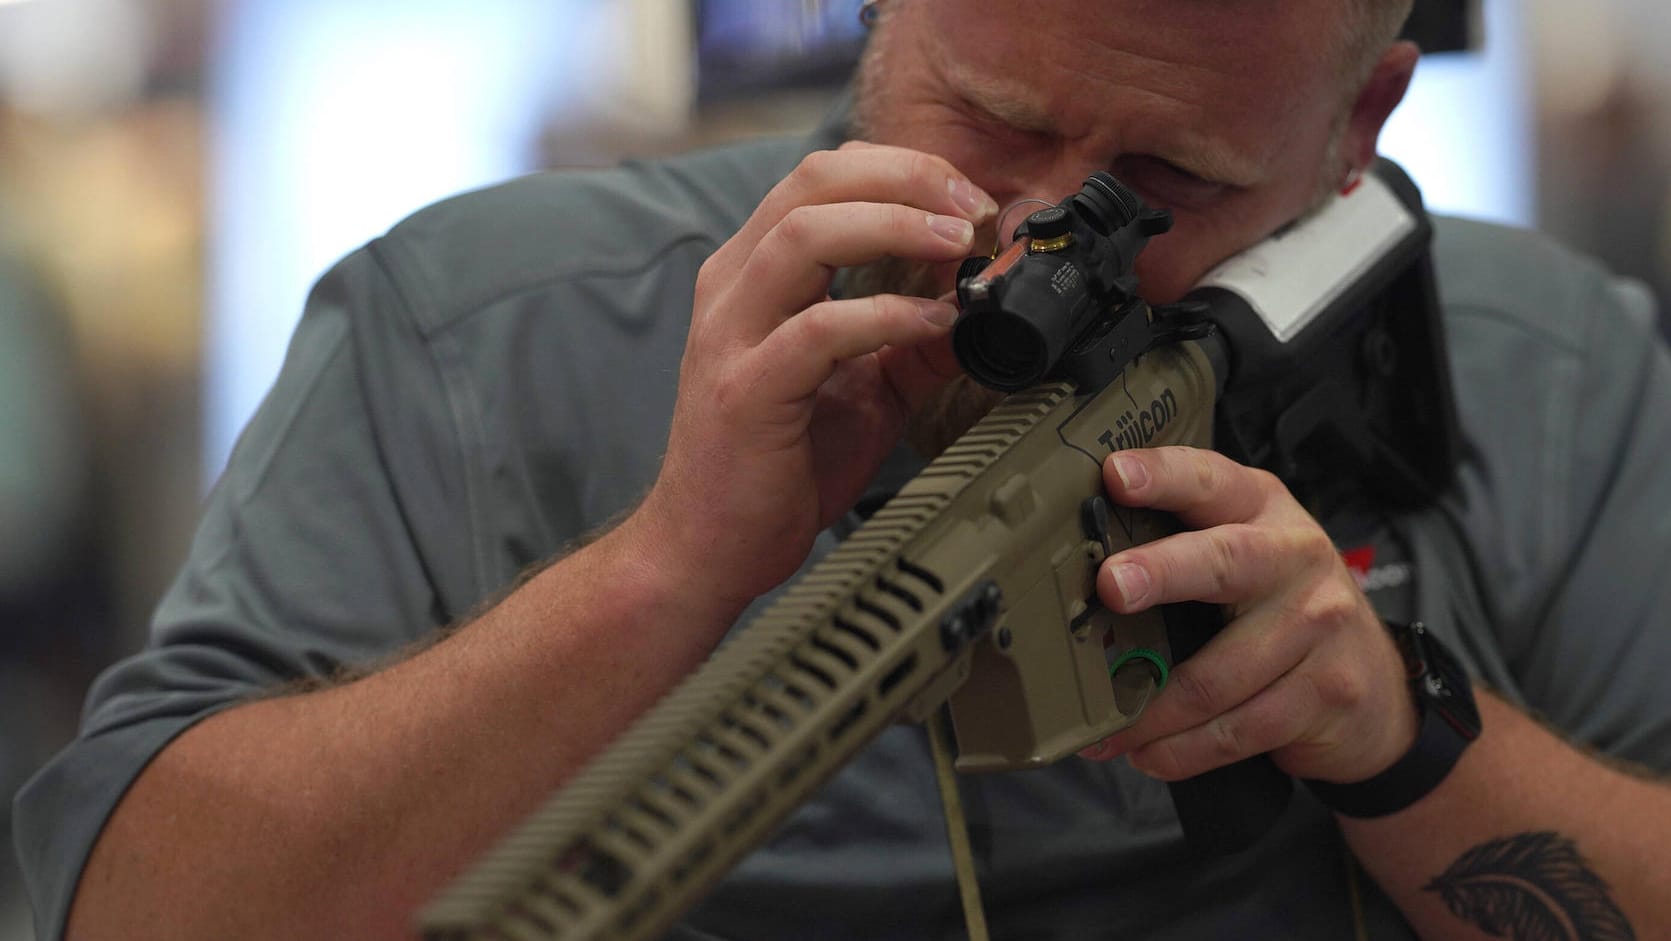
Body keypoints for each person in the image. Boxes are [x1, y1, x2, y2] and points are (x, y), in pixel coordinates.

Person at [15, 0, 1671, 938]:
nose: (1038, 237)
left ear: (1364, 115)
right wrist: (666, 573)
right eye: (992, 124)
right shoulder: (472, 335)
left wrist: (1401, 734)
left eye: (1170, 175)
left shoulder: (1554, 370)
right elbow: (133, 913)